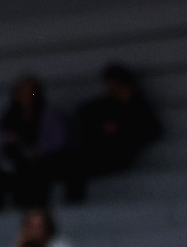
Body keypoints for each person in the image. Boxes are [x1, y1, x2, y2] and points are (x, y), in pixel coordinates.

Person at [66, 63, 159, 199]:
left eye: (112, 83)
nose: (109, 87)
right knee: (73, 162)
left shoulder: (138, 105)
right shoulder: (108, 103)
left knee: (77, 165)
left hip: (123, 152)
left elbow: (152, 129)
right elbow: (84, 111)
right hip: (103, 149)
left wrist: (122, 129)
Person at [0, 75, 66, 210]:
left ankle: (39, 209)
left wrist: (39, 150)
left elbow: (58, 140)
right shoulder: (9, 116)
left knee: (38, 171)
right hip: (17, 162)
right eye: (22, 91)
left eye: (30, 91)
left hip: (43, 161)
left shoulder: (47, 115)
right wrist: (7, 139)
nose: (26, 95)